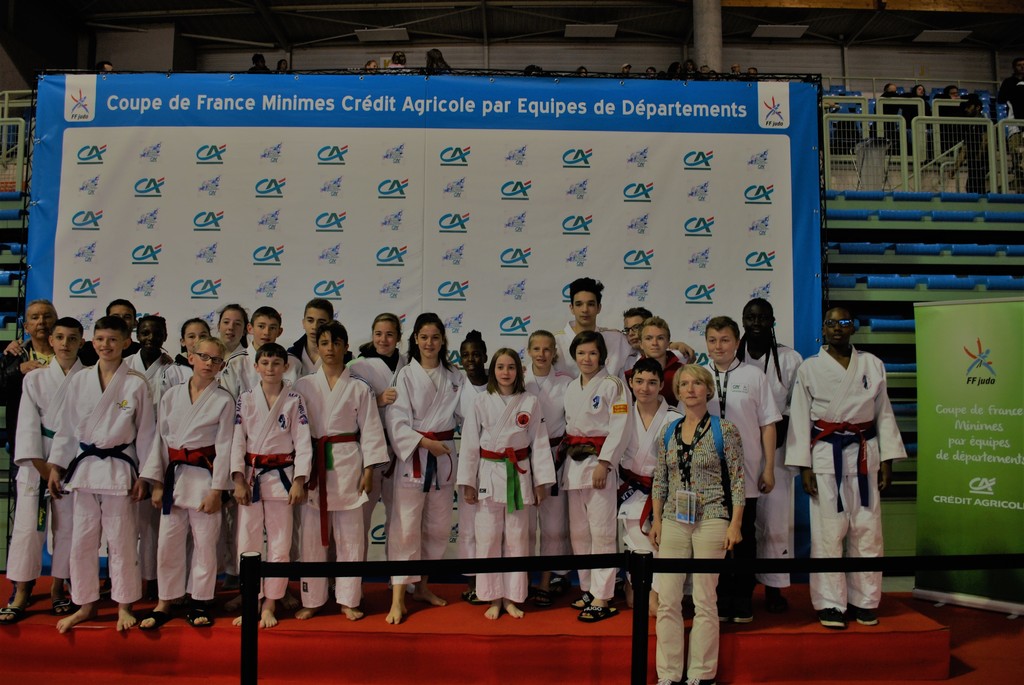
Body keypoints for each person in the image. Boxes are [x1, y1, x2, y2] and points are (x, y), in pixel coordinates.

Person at [786, 307, 907, 630]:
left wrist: (888, 460)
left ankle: (864, 601)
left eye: (843, 323)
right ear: (823, 329)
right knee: (828, 534)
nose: (837, 328)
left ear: (853, 327)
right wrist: (804, 467)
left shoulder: (872, 364)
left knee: (868, 532)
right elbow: (800, 417)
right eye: (831, 323)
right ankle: (830, 603)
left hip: (866, 454)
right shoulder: (810, 368)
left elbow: (883, 414)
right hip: (826, 457)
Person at [47, 314, 157, 633]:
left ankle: (124, 605)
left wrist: (146, 475)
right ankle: (85, 604)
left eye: (112, 340)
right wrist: (56, 466)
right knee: (82, 540)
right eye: (100, 339)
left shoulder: (136, 383)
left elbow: (147, 434)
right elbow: (66, 429)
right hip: (84, 470)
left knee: (121, 540)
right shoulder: (80, 380)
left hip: (119, 470)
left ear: (126, 342)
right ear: (92, 342)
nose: (105, 345)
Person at [650, 364, 744, 685]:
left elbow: (738, 480)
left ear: (708, 389)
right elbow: (661, 478)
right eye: (684, 384)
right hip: (673, 519)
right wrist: (657, 520)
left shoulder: (725, 430)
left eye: (697, 383)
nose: (690, 389)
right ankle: (668, 673)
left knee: (705, 599)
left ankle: (702, 674)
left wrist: (735, 524)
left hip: (713, 517)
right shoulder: (668, 431)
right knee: (667, 599)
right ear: (677, 391)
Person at [294, 321, 388, 622]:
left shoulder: (360, 387)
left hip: (348, 464)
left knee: (351, 538)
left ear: (346, 347)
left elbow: (371, 430)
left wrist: (369, 469)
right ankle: (312, 598)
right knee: (311, 539)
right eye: (324, 343)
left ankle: (349, 598)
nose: (330, 349)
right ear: (317, 347)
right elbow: (296, 432)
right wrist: (298, 473)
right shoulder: (303, 386)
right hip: (313, 465)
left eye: (336, 343)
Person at [138, 336, 234, 630]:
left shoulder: (224, 400)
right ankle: (165, 600)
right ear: (190, 357)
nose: (209, 363)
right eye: (204, 356)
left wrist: (218, 490)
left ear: (222, 366)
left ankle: (200, 600)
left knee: (205, 544)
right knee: (168, 543)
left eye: (216, 360)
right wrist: (157, 483)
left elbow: (226, 447)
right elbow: (160, 440)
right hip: (174, 478)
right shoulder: (171, 395)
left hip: (205, 479)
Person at [457, 349, 555, 620]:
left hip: (519, 475)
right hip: (488, 474)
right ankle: (492, 597)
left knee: (517, 539)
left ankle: (512, 597)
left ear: (519, 371)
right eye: (500, 367)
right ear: (493, 370)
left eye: (511, 367)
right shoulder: (480, 401)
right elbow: (469, 444)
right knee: (487, 539)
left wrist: (541, 482)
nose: (505, 372)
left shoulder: (530, 401)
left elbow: (539, 442)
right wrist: (468, 481)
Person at [1, 317, 83, 624]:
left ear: (81, 342)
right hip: (37, 462)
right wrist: (43, 467)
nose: (65, 344)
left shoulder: (89, 378)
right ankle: (21, 591)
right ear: (51, 341)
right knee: (28, 529)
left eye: (72, 338)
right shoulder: (34, 379)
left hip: (71, 462)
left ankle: (58, 588)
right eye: (59, 338)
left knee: (68, 529)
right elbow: (26, 426)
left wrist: (60, 466)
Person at [383, 313, 464, 624]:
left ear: (443, 341)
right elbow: (396, 421)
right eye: (424, 337)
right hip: (414, 457)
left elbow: (467, 413)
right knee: (405, 528)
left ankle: (422, 587)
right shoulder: (405, 375)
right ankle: (397, 598)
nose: (429, 343)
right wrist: (425, 443)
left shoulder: (454, 376)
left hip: (443, 457)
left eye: (435, 337)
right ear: (415, 339)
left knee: (438, 527)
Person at [701, 316, 780, 624]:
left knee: (744, 535)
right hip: (707, 473)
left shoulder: (754, 376)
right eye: (712, 340)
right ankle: (720, 597)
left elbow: (768, 424)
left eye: (725, 340)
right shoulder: (698, 374)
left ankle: (744, 597)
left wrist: (769, 468)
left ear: (736, 342)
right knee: (712, 537)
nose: (718, 346)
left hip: (746, 470)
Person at [229, 342, 312, 629]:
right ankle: (251, 600)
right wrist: (238, 479)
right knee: (247, 543)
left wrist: (299, 480)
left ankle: (271, 602)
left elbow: (303, 442)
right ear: (256, 366)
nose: (270, 368)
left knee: (280, 543)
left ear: (285, 367)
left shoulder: (294, 400)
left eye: (276, 363)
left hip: (282, 477)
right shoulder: (245, 398)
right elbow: (237, 440)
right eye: (265, 363)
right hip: (251, 477)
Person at [737, 298, 803, 613]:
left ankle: (775, 588)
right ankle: (741, 587)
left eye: (763, 317)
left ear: (773, 321)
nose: (756, 323)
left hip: (775, 450)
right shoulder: (732, 357)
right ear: (743, 321)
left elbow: (798, 405)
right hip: (740, 453)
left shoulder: (790, 359)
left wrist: (778, 429)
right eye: (751, 317)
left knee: (775, 521)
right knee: (742, 522)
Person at [562, 331, 632, 622]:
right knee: (579, 533)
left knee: (602, 531)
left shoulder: (613, 385)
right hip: (574, 464)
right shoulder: (570, 387)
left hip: (599, 463)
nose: (587, 359)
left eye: (592, 353)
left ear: (602, 355)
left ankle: (603, 596)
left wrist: (605, 462)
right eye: (581, 353)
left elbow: (621, 426)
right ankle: (588, 589)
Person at [618, 358, 678, 611]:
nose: (645, 388)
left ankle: (657, 592)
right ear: (630, 383)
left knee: (663, 547)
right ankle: (633, 584)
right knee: (639, 545)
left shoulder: (675, 418)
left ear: (662, 385)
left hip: (664, 493)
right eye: (640, 381)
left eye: (652, 382)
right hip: (632, 491)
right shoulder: (620, 415)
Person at [349, 313, 406, 553]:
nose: (383, 339)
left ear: (399, 337)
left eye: (389, 334)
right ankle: (356, 574)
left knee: (400, 517)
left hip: (401, 448)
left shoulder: (408, 364)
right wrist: (377, 400)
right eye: (378, 334)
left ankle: (397, 574)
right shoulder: (357, 366)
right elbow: (348, 406)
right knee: (360, 517)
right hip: (369, 449)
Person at [523, 330, 573, 606]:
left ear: (554, 352)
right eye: (537, 349)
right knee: (524, 523)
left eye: (547, 349)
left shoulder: (566, 382)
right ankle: (521, 581)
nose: (541, 354)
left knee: (553, 523)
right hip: (523, 456)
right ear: (528, 351)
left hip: (555, 455)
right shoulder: (519, 379)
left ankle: (545, 581)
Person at [125, 314, 170, 600]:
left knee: (154, 521)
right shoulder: (125, 366)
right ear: (136, 335)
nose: (150, 338)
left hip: (161, 446)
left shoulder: (174, 369)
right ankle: (122, 578)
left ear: (165, 336)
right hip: (129, 447)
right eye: (144, 332)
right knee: (125, 520)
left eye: (156, 333)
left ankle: (153, 579)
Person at [1, 300, 58, 461]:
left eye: (47, 316)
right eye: (35, 317)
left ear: (57, 322)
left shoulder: (73, 354)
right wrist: (17, 371)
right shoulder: (13, 356)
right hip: (24, 442)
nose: (41, 321)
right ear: (26, 327)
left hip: (65, 442)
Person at [457, 330, 489, 604]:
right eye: (465, 355)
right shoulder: (456, 385)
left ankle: (493, 580)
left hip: (494, 462)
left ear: (485, 357)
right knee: (468, 525)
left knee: (493, 525)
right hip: (467, 460)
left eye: (476, 354)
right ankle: (472, 582)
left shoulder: (499, 382)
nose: (471, 360)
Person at [222, 306, 298, 399]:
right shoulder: (235, 362)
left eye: (272, 328)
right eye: (261, 326)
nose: (266, 332)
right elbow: (228, 401)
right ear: (250, 328)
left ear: (279, 331)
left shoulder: (293, 362)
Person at [628, 316, 684, 404]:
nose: (654, 343)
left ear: (668, 343)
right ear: (641, 344)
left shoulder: (682, 372)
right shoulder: (629, 375)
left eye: (660, 338)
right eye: (648, 338)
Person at [78, 298, 141, 365]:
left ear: (135, 322)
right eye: (115, 317)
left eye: (127, 317)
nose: (121, 320)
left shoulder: (140, 352)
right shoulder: (87, 350)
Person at [286, 298, 335, 377]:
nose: (315, 327)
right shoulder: (290, 355)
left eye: (321, 322)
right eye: (310, 320)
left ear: (331, 324)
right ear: (303, 323)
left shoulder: (345, 357)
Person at [953, 94, 990, 194]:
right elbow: (965, 147)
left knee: (975, 188)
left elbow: (985, 140)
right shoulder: (970, 125)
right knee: (971, 188)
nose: (966, 109)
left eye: (969, 107)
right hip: (973, 163)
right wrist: (955, 167)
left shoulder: (983, 122)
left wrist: (979, 158)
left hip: (981, 163)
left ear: (977, 107)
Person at [163, 317, 211, 389]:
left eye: (203, 336)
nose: (198, 340)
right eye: (191, 336)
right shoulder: (173, 371)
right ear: (183, 342)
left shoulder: (217, 366)